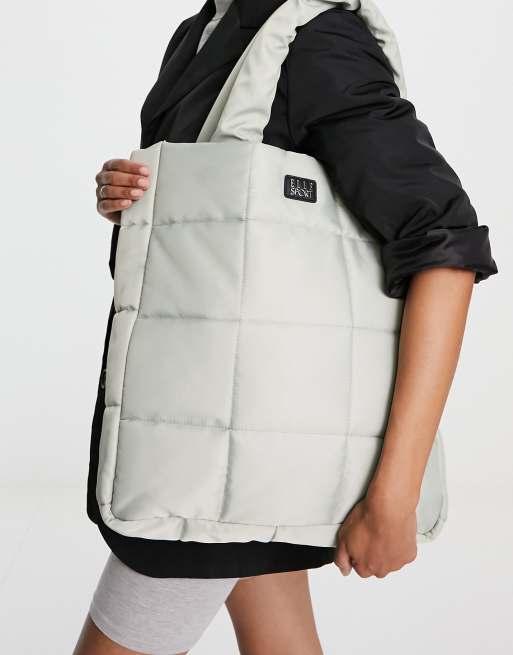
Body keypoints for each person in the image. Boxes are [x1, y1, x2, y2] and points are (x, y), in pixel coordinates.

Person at [75, 1, 498, 653]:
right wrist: (144, 201)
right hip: (212, 430)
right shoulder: (206, 29)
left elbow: (445, 249)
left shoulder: (314, 36)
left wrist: (396, 493)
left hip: (207, 459)